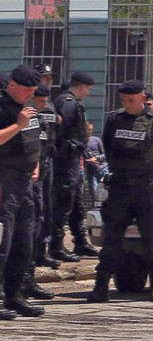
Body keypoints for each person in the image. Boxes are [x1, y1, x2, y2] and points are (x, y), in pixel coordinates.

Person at [87, 80, 153, 303]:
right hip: (120, 187)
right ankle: (101, 286)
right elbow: (108, 148)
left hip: (147, 187)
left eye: (130, 100)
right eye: (123, 100)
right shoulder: (114, 120)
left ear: (142, 98)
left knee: (152, 238)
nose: (126, 104)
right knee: (112, 239)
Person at [0, 65, 46, 318]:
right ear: (13, 85)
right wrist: (18, 124)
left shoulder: (27, 111)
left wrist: (35, 165)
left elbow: (35, 141)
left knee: (23, 242)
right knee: (2, 242)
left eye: (33, 91)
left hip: (25, 182)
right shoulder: (5, 109)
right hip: (3, 181)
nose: (30, 95)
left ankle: (15, 296)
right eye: (27, 90)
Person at [51, 72, 97, 262]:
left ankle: (80, 241)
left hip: (73, 159)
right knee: (64, 202)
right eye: (87, 89)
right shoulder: (68, 103)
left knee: (76, 203)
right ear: (81, 86)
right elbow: (60, 134)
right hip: (66, 160)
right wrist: (74, 146)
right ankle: (56, 246)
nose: (87, 93)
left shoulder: (70, 102)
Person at [22, 85, 58, 302]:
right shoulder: (17, 115)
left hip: (38, 179)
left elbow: (41, 147)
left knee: (34, 228)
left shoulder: (38, 119)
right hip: (18, 180)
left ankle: (27, 281)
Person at [31, 76, 61, 271]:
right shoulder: (22, 115)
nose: (42, 105)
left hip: (45, 165)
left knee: (43, 214)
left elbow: (55, 134)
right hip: (27, 173)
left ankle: (40, 254)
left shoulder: (49, 110)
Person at [84, 128, 109, 204]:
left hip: (103, 169)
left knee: (108, 193)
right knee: (96, 197)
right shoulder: (80, 143)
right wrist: (89, 161)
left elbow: (105, 154)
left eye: (91, 129)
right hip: (92, 173)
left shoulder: (96, 140)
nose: (90, 131)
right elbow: (80, 160)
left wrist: (97, 158)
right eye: (88, 129)